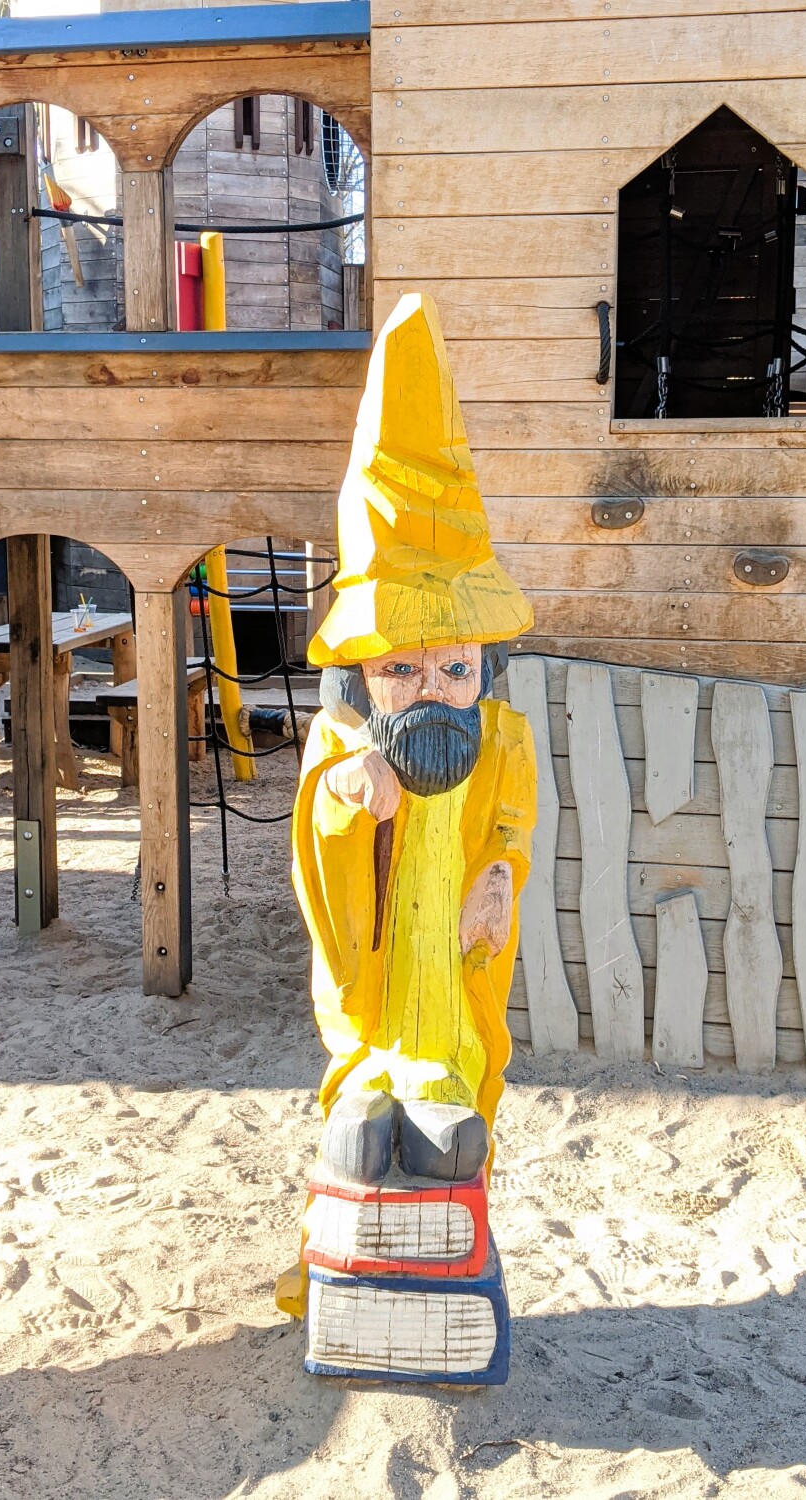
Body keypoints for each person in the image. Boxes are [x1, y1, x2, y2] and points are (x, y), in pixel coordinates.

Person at [291, 292, 537, 1185]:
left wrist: (499, 875)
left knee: (450, 1085)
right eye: (401, 668)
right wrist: (343, 790)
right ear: (359, 675)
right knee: (364, 1100)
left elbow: (511, 823)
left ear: (485, 667)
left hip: (451, 944)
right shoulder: (344, 736)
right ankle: (370, 1075)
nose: (432, 688)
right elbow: (317, 832)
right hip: (382, 963)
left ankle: (439, 1077)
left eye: (455, 668)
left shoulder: (501, 738)